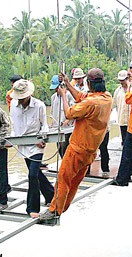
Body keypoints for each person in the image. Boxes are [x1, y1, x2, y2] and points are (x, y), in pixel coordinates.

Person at [39, 68, 112, 221]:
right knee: (74, 181)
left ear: (89, 83)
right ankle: (62, 207)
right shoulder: (106, 97)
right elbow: (81, 96)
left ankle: (54, 210)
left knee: (63, 178)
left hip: (78, 148)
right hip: (91, 152)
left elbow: (69, 114)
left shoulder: (91, 102)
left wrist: (64, 95)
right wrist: (67, 82)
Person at [10, 79, 55, 218]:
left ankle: (32, 208)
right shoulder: (13, 104)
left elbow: (44, 125)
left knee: (32, 175)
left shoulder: (39, 105)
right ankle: (51, 195)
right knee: (35, 174)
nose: (21, 100)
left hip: (36, 145)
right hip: (22, 145)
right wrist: (11, 138)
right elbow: (13, 123)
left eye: (23, 97)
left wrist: (43, 138)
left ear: (29, 95)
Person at [49, 75, 75, 158]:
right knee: (59, 148)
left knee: (65, 147)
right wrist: (52, 123)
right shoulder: (53, 97)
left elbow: (74, 112)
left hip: (67, 128)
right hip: (57, 127)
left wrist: (66, 121)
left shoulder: (69, 96)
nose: (56, 90)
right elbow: (52, 112)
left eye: (57, 88)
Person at [113, 70, 132, 145]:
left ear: (127, 79)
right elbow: (113, 103)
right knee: (124, 140)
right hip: (122, 119)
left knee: (131, 140)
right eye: (120, 80)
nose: (122, 82)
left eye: (123, 80)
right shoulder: (117, 91)